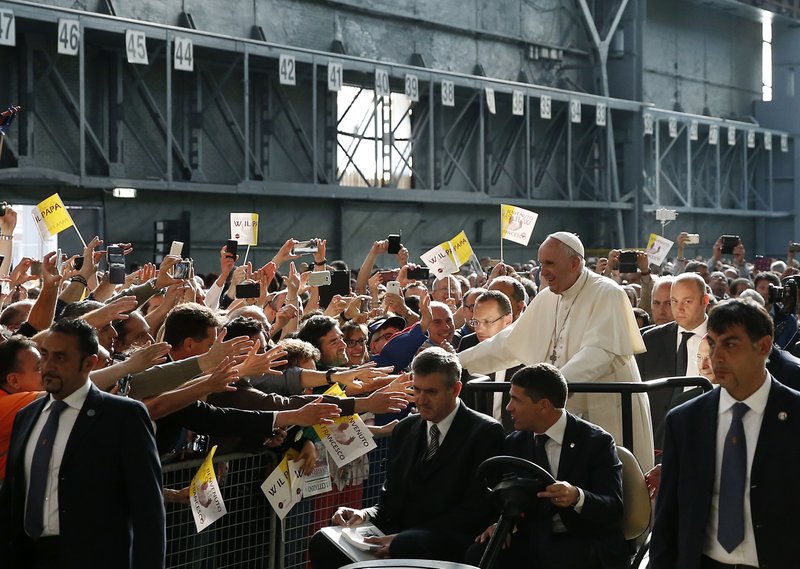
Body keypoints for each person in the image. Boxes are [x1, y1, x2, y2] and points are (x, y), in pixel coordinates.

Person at [459, 231, 654, 469]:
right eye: (541, 264)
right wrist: (456, 363)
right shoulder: (547, 298)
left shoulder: (607, 293)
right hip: (558, 416)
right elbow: (508, 343)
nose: (543, 272)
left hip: (606, 411)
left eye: (550, 263)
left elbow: (598, 353)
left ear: (574, 263)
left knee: (610, 489)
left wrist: (550, 388)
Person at [308, 347, 504, 567]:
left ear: (455, 389)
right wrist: (363, 514)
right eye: (416, 390)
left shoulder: (484, 433)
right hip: (397, 535)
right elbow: (389, 502)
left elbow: (474, 512)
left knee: (406, 545)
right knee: (324, 541)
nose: (420, 400)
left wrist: (405, 539)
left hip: (446, 539)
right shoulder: (405, 429)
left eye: (431, 392)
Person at [0, 319, 166, 569]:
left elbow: (148, 510)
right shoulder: (27, 416)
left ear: (89, 363)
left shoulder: (122, 416)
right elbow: (12, 498)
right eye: (44, 356)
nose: (48, 366)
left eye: (61, 357)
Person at [650, 298, 800, 569]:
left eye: (730, 344)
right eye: (714, 343)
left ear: (763, 346)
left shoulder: (795, 414)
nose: (716, 356)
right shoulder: (685, 421)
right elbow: (668, 520)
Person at [466, 363, 628, 569]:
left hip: (583, 538)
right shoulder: (514, 443)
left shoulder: (596, 442)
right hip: (532, 536)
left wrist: (577, 496)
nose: (508, 407)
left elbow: (613, 506)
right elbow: (502, 495)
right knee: (479, 553)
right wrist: (500, 524)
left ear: (543, 405)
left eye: (516, 400)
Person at [637, 273, 709, 443]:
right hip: (658, 439)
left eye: (687, 301)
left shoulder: (723, 338)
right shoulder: (649, 340)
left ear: (705, 301)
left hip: (706, 431)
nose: (679, 308)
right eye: (674, 301)